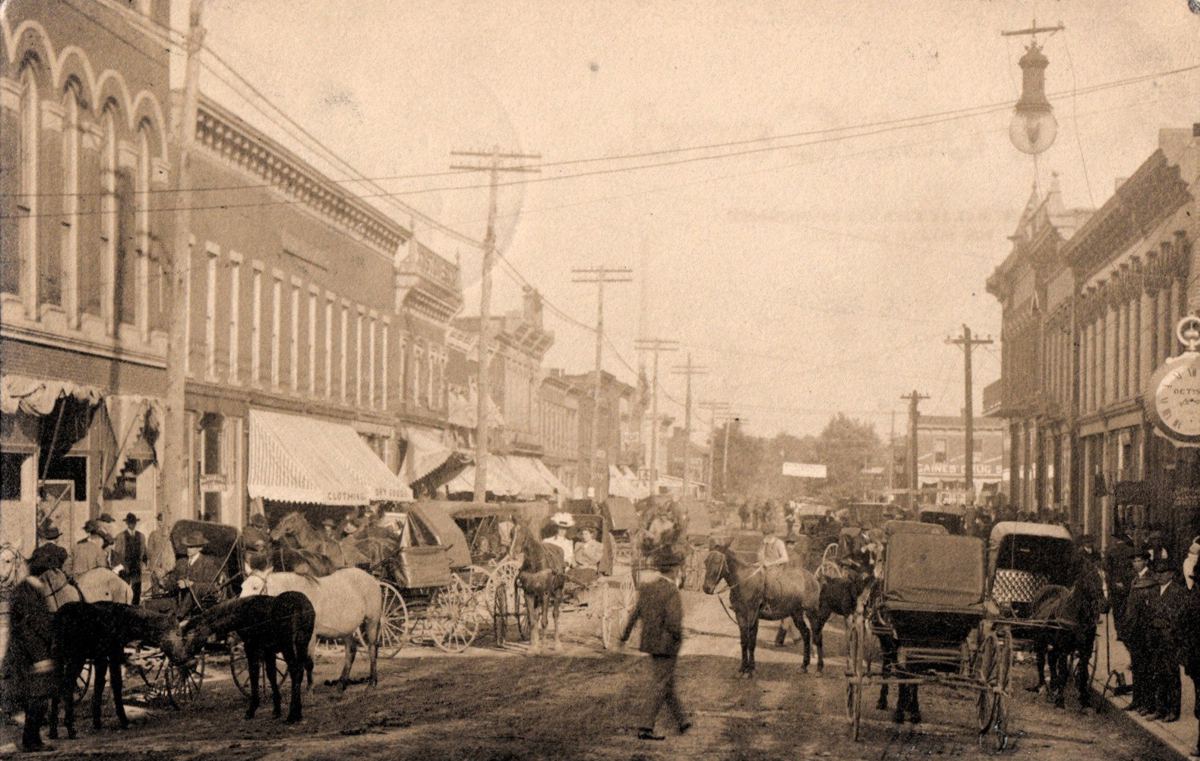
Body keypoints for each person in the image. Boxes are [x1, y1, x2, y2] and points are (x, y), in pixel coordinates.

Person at [620, 548, 690, 741]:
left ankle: (682, 720)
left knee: (666, 681)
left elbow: (635, 614)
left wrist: (624, 636)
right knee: (661, 683)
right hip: (667, 645)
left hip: (650, 643)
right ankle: (646, 726)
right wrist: (680, 637)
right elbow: (674, 622)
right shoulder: (671, 591)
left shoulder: (647, 587)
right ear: (674, 571)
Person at [6, 549, 56, 752]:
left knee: (38, 699)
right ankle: (30, 741)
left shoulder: (30, 589)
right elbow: (27, 628)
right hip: (29, 655)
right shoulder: (27, 592)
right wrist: (40, 657)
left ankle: (33, 739)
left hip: (31, 653)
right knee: (36, 699)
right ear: (43, 573)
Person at [1148, 560, 1187, 722]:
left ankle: (1173, 710)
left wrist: (1168, 627)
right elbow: (1149, 613)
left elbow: (1180, 617)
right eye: (1157, 573)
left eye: (1162, 573)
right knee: (1157, 673)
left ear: (1171, 573)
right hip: (1156, 638)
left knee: (1171, 674)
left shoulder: (1178, 592)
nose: (1159, 576)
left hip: (1170, 639)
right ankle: (1160, 708)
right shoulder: (1154, 591)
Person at [1121, 553, 1156, 715]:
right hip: (1133, 631)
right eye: (1134, 560)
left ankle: (1147, 703)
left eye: (1139, 560)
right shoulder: (1134, 579)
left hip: (1144, 631)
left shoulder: (1152, 579)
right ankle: (1137, 700)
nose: (1136, 563)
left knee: (1146, 668)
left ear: (1146, 561)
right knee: (1136, 666)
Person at [164, 531, 224, 616]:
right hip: (176, 601)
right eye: (188, 546)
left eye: (192, 547)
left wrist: (190, 584)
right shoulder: (181, 562)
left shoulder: (207, 563)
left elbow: (211, 587)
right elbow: (171, 582)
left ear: (200, 548)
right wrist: (165, 583)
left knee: (190, 592)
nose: (188, 549)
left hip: (198, 605)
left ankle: (178, 617)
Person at [112, 512, 147, 605]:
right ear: (127, 523)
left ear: (136, 523)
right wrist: (119, 568)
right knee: (124, 591)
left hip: (136, 568)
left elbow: (144, 552)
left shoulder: (141, 536)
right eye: (130, 522)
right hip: (125, 568)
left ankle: (135, 609)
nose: (132, 524)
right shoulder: (120, 536)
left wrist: (144, 563)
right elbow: (117, 554)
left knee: (136, 591)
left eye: (133, 522)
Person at [145, 513, 177, 594]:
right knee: (156, 593)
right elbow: (149, 554)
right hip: (157, 570)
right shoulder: (153, 535)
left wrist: (169, 568)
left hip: (169, 570)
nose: (160, 523)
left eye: (162, 521)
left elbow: (174, 553)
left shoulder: (172, 535)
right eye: (159, 521)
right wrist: (155, 569)